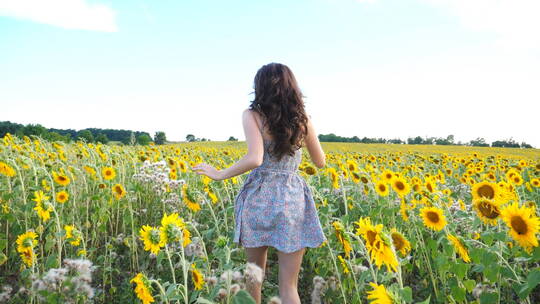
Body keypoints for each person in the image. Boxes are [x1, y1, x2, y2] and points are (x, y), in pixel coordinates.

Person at [192, 62, 327, 304]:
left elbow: (255, 158)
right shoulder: (303, 120)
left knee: (253, 277)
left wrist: (220, 173)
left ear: (260, 87)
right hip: (292, 199)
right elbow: (320, 162)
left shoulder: (252, 116)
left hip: (259, 198)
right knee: (289, 286)